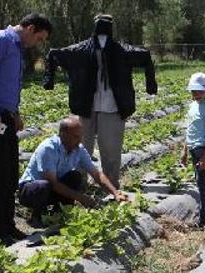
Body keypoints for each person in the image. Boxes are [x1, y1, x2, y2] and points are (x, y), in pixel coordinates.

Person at [43, 14, 158, 189]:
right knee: (80, 148)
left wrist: (151, 85)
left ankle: (110, 185)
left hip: (112, 107)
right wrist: (48, 79)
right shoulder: (83, 50)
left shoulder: (120, 51)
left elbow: (145, 57)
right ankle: (79, 184)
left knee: (109, 150)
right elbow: (54, 55)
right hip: (85, 107)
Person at [0, 13, 52, 246]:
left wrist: (14, 114)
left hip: (5, 115)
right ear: (30, 28)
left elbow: (8, 85)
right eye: (39, 38)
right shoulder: (0, 40)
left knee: (10, 175)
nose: (37, 43)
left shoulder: (17, 48)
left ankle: (8, 225)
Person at [18, 115, 128, 225]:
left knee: (75, 176)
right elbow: (53, 183)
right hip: (31, 191)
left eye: (80, 136)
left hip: (52, 189)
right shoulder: (48, 148)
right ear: (63, 134)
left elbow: (96, 174)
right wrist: (81, 198)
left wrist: (115, 193)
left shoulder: (78, 149)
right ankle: (36, 217)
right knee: (44, 185)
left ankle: (60, 213)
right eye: (75, 136)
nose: (79, 140)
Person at [181, 72, 205, 227]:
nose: (196, 94)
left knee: (203, 183)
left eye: (200, 91)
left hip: (203, 148)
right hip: (193, 148)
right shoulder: (192, 106)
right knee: (199, 181)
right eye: (194, 91)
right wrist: (184, 150)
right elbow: (189, 129)